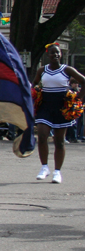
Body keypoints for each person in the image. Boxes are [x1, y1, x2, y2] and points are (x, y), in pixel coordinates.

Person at [33, 43, 85, 184]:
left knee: (59, 141)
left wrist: (77, 100)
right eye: (52, 53)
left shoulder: (67, 70)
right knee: (42, 136)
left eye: (57, 53)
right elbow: (34, 85)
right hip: (45, 106)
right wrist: (33, 96)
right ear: (48, 55)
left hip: (62, 107)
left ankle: (57, 171)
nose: (55, 55)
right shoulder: (42, 70)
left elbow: (83, 81)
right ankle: (44, 167)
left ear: (60, 55)